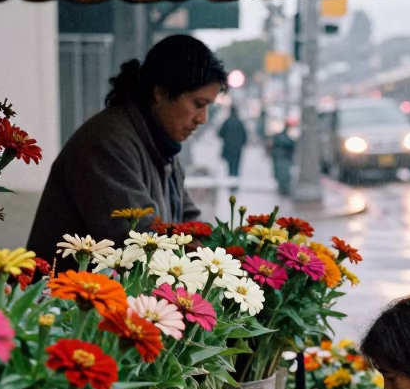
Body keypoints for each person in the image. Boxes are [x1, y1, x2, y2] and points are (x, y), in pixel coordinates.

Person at [27, 34, 226, 260]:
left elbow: (189, 222)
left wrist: (225, 248)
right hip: (65, 291)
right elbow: (140, 240)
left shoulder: (162, 144)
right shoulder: (107, 143)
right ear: (160, 93)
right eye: (198, 104)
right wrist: (213, 260)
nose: (203, 119)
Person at [217, 106, 248, 181]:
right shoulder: (240, 123)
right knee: (236, 166)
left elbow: (220, 133)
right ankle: (234, 181)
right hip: (237, 148)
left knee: (230, 166)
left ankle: (231, 180)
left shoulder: (227, 122)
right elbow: (245, 136)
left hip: (228, 147)